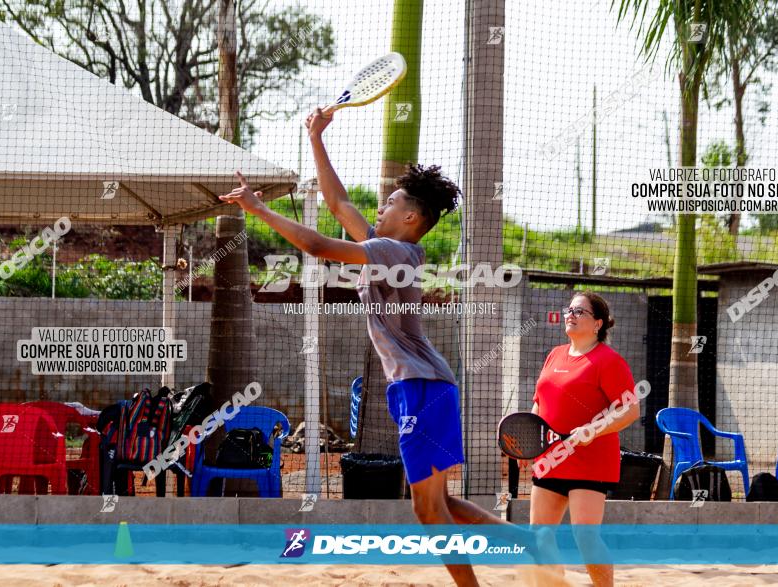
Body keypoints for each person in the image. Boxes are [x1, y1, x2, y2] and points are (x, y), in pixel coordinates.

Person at [221, 107, 543, 587]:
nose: (380, 206)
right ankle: (530, 546)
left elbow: (316, 245)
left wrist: (259, 210)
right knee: (441, 505)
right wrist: (315, 137)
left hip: (420, 386)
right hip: (423, 385)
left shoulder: (393, 251)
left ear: (411, 217)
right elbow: (337, 203)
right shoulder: (387, 247)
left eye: (389, 201)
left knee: (428, 510)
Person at [527, 291, 640, 587]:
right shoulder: (555, 354)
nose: (571, 315)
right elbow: (539, 402)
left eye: (580, 311)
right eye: (570, 310)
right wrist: (528, 438)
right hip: (550, 458)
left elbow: (629, 410)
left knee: (585, 537)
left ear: (598, 323)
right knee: (540, 536)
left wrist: (593, 430)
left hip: (590, 462)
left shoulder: (608, 361)